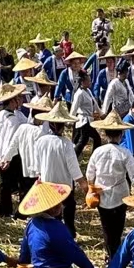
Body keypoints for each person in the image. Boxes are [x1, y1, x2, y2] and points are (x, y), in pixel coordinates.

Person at [86, 114, 134, 257]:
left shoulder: (98, 152)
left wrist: (91, 188)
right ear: (121, 134)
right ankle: (115, 253)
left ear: (105, 134)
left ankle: (109, 253)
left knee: (106, 227)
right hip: (120, 195)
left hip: (101, 195)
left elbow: (89, 174)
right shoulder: (125, 153)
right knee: (118, 227)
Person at [32, 101, 86, 235]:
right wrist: (83, 183)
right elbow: (73, 167)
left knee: (51, 211)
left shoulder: (41, 141)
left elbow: (37, 164)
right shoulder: (66, 144)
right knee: (68, 207)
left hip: (47, 183)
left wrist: (39, 176)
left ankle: (53, 233)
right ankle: (69, 232)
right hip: (64, 185)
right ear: (63, 126)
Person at [0, 84, 28, 219]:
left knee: (5, 184)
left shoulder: (2, 113)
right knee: (20, 183)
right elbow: (12, 142)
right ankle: (18, 212)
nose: (22, 100)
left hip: (0, 154)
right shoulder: (13, 120)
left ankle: (4, 211)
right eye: (19, 97)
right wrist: (7, 158)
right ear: (13, 100)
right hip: (11, 156)